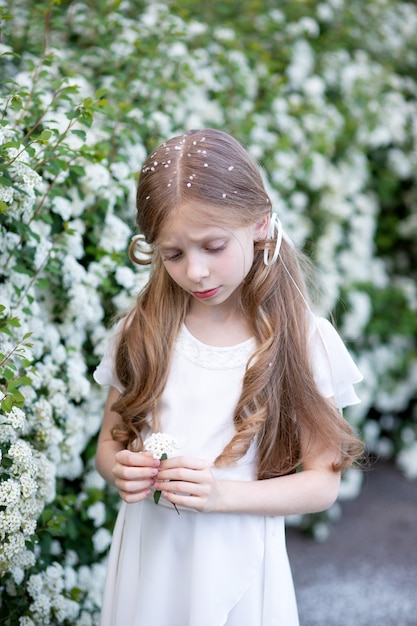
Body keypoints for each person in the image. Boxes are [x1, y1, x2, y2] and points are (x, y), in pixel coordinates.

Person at [94, 128, 364, 626]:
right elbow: (108, 447)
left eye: (213, 245)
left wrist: (221, 495)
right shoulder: (142, 330)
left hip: (239, 567)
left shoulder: (303, 340)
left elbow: (321, 485)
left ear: (260, 224)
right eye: (172, 254)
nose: (195, 271)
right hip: (149, 561)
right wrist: (121, 470)